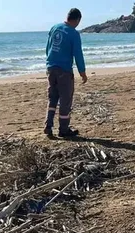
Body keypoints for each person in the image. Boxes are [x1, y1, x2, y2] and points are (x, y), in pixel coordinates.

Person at [44, 8, 87, 138]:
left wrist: (49, 62)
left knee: (52, 98)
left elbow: (48, 48)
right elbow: (78, 54)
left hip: (51, 68)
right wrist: (82, 72)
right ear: (77, 20)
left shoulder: (54, 28)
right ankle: (63, 129)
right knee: (65, 100)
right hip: (64, 71)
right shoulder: (73, 33)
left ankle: (48, 125)